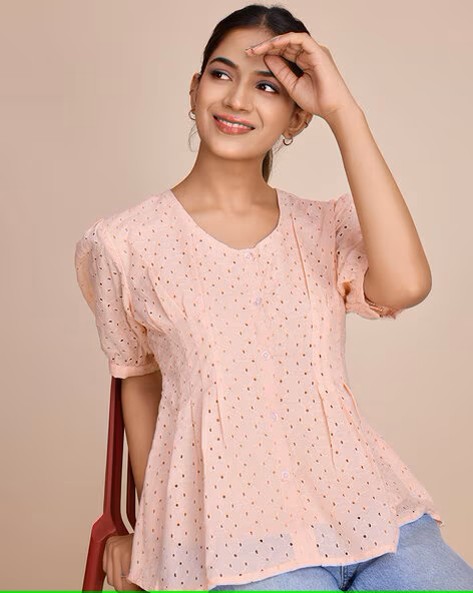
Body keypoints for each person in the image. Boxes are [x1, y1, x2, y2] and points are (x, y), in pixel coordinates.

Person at [74, 3, 473, 591]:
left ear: (296, 117)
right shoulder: (123, 244)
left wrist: (343, 111)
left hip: (368, 511)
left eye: (267, 86)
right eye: (221, 73)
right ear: (194, 88)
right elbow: (140, 380)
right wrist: (151, 531)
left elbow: (408, 285)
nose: (237, 99)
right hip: (235, 533)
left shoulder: (325, 227)